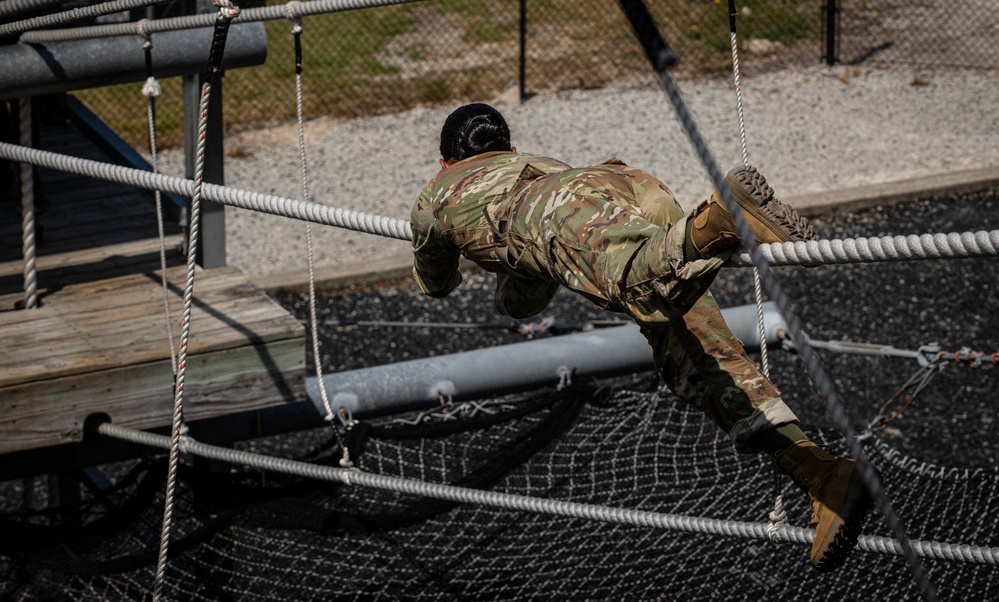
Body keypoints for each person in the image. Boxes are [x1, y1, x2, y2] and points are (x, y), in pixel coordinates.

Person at [410, 103, 872, 572]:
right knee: (695, 355)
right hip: (620, 182)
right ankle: (821, 474)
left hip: (557, 212)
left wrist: (451, 246)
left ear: (445, 163)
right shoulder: (533, 164)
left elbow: (436, 283)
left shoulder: (436, 195)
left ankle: (725, 219)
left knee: (641, 284)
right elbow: (534, 270)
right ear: (508, 148)